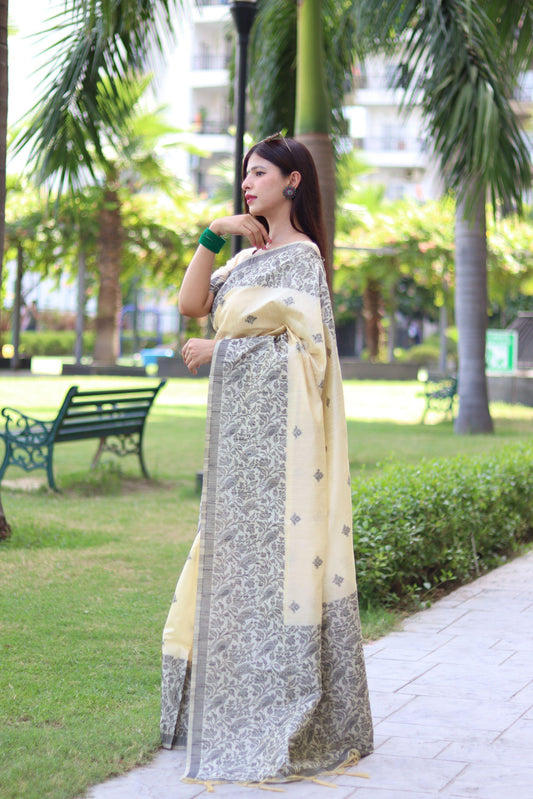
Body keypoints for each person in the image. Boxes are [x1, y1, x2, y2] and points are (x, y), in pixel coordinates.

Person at [161, 134, 373, 785]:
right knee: (229, 563)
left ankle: (284, 702)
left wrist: (219, 352)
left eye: (259, 173)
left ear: (293, 181)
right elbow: (190, 305)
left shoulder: (302, 259)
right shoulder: (242, 258)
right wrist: (212, 232)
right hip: (237, 450)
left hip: (284, 452)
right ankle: (220, 697)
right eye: (244, 174)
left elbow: (307, 359)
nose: (247, 182)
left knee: (280, 572)